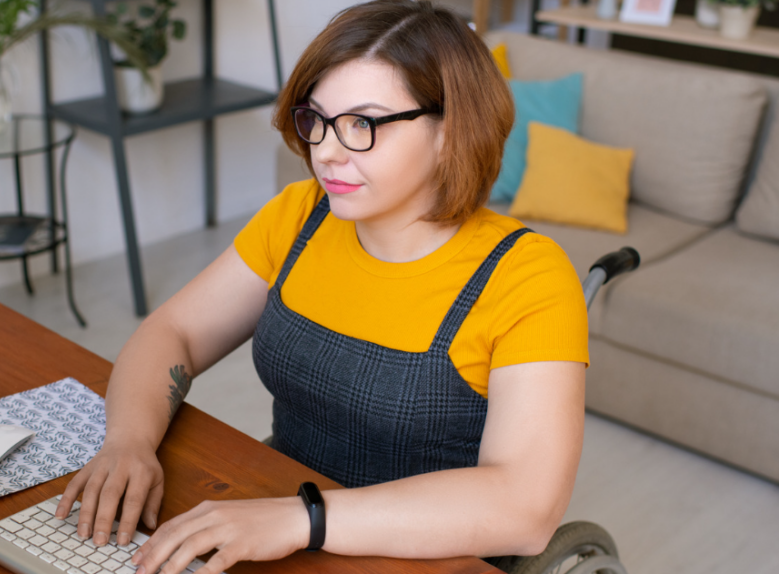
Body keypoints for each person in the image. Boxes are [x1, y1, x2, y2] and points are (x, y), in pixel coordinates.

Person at [56, 1, 589, 573]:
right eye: (318, 118)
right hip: (281, 515)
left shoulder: (527, 276)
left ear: (451, 132)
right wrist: (129, 442)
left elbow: (525, 507)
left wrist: (302, 519)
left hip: (425, 553)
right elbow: (175, 330)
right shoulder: (301, 217)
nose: (326, 151)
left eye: (363, 123)